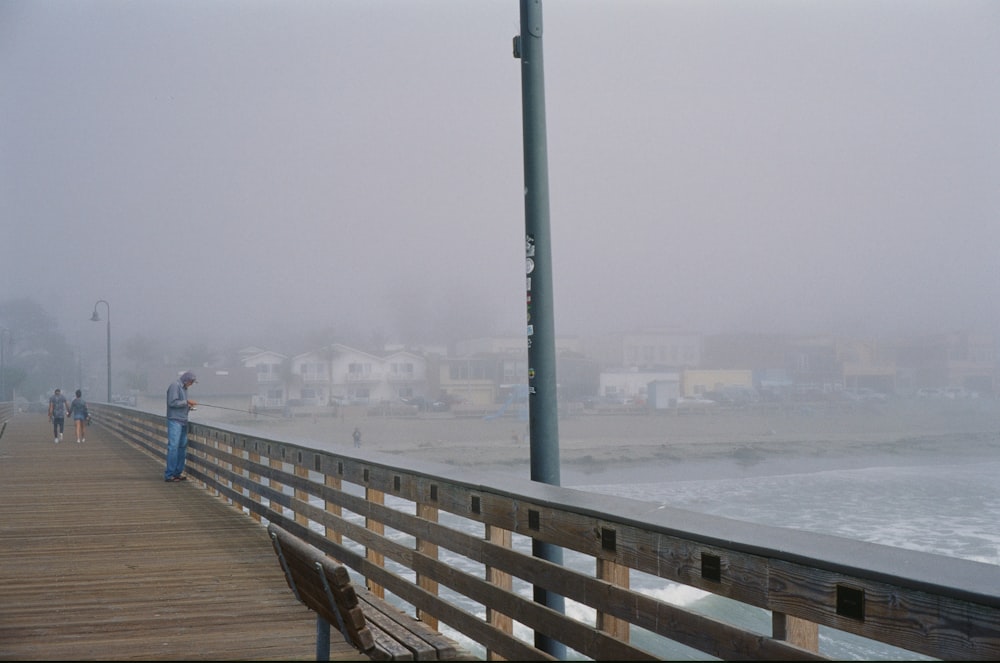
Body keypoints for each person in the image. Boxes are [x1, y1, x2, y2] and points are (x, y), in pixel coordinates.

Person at [164, 371, 197, 482]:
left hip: (183, 420)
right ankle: (169, 474)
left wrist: (188, 406)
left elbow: (180, 403)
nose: (191, 384)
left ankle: (177, 473)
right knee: (173, 447)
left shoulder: (184, 388)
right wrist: (186, 402)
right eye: (191, 382)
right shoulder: (175, 386)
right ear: (186, 380)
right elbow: (172, 402)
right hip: (175, 421)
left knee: (182, 447)